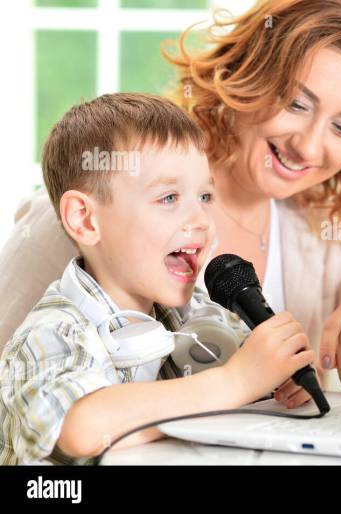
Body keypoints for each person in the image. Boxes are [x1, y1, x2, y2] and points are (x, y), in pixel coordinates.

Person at [0, 0, 341, 412]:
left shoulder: (318, 238)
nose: (309, 145)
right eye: (295, 103)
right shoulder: (87, 216)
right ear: (246, 75)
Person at [0, 93, 315, 464]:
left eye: (205, 196)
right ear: (85, 219)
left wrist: (282, 378)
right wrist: (236, 381)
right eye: (169, 198)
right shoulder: (52, 332)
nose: (201, 220)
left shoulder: (195, 313)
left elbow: (255, 371)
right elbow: (79, 426)